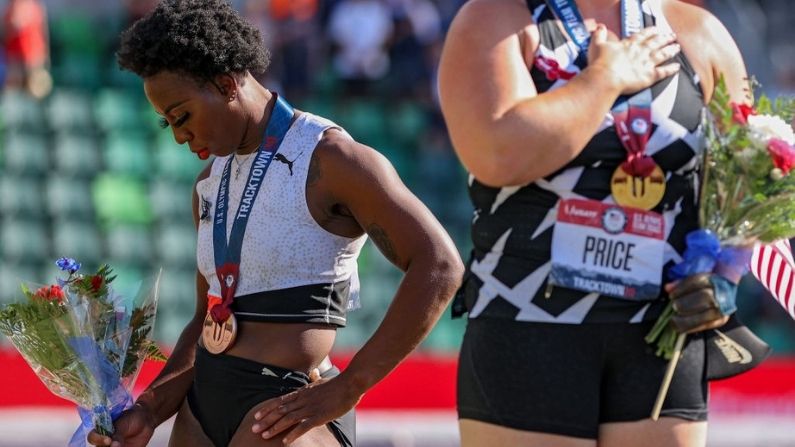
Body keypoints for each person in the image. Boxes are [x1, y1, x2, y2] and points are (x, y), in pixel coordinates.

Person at [88, 0, 464, 446]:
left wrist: (350, 387)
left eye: (182, 116)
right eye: (167, 122)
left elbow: (440, 266)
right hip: (202, 408)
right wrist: (150, 409)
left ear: (226, 84)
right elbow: (207, 319)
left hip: (287, 407)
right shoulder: (208, 184)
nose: (178, 136)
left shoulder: (332, 159)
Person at [438, 0, 754, 446]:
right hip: (529, 322)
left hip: (661, 334)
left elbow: (761, 172)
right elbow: (495, 154)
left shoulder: (695, 29)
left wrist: (727, 270)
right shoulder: (496, 18)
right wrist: (604, 79)